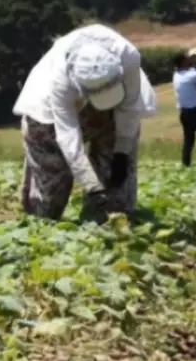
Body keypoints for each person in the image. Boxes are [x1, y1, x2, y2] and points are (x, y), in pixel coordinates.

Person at [12, 24, 156, 223]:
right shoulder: (58, 83)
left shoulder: (128, 55)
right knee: (51, 191)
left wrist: (122, 153)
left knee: (117, 184)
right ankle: (41, 221)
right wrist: (92, 186)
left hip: (117, 103)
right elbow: (68, 138)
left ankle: (105, 220)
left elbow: (129, 108)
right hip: (48, 117)